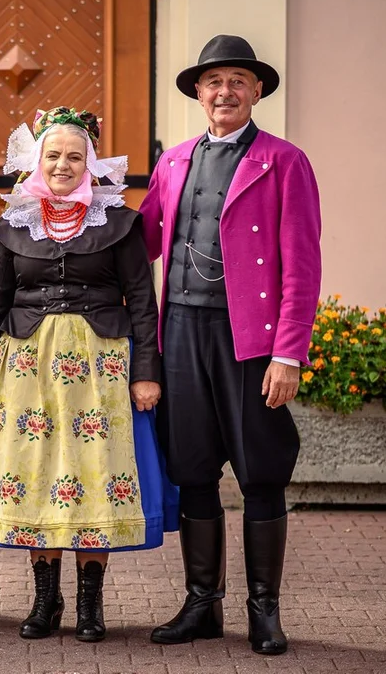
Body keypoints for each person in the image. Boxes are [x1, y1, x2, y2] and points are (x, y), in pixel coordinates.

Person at [140, 35, 321, 655]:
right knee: (192, 471)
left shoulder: (284, 160)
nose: (225, 92)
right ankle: (201, 606)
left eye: (237, 81)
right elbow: (139, 243)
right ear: (197, 92)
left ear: (257, 90)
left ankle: (264, 611)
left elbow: (302, 264)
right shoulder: (172, 163)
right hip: (182, 333)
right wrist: (63, 209)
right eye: (214, 81)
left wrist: (289, 353)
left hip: (252, 339)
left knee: (261, 474)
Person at [0, 108, 176, 642]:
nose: (63, 164)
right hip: (26, 369)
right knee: (37, 475)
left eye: (74, 156)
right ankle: (45, 600)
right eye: (53, 155)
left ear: (91, 163)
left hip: (100, 370)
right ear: (37, 161)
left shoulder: (119, 223)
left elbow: (142, 302)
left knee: (94, 478)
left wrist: (146, 372)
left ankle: (90, 604)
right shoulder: (14, 225)